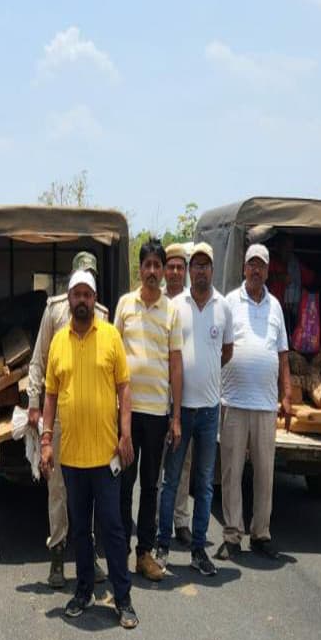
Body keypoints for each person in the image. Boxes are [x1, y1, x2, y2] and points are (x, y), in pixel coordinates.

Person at [40, 270, 137, 628]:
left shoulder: (111, 336)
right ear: (69, 299)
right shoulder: (58, 343)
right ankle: (82, 592)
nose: (81, 300)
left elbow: (124, 388)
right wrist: (47, 440)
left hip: (106, 456)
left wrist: (125, 435)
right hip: (73, 458)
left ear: (95, 299)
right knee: (80, 530)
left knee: (111, 528)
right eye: (76, 294)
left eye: (87, 294)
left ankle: (123, 599)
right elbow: (50, 394)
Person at [27, 251, 110, 589]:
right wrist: (34, 403)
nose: (83, 289)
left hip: (94, 420)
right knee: (59, 489)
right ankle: (58, 555)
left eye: (90, 277)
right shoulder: (55, 309)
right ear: (72, 279)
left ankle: (87, 557)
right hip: (60, 415)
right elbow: (38, 361)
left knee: (90, 489)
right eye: (80, 277)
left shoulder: (104, 315)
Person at [156, 242, 233, 576]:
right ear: (189, 270)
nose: (200, 270)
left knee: (203, 483)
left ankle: (199, 549)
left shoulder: (223, 307)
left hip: (209, 410)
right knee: (171, 479)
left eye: (206, 265)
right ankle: (161, 544)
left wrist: (207, 376)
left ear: (212, 269)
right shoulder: (177, 306)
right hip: (181, 410)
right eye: (195, 265)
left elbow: (226, 351)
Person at [113, 240, 182, 582]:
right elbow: (112, 358)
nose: (153, 272)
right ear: (139, 269)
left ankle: (144, 554)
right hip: (127, 412)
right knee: (124, 482)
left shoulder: (172, 311)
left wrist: (177, 416)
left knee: (150, 486)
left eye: (158, 265)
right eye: (148, 265)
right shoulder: (125, 305)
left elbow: (176, 366)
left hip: (157, 414)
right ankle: (121, 549)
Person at [218, 243, 292, 561]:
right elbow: (218, 347)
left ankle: (261, 533)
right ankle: (233, 535)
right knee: (231, 471)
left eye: (261, 265)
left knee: (265, 473)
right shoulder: (229, 302)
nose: (256, 270)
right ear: (243, 268)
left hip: (265, 403)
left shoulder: (275, 306)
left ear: (267, 269)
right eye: (251, 264)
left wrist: (287, 394)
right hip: (233, 400)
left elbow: (283, 354)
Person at [163, 241, 194, 546]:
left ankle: (181, 521)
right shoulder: (155, 301)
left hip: (184, 396)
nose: (174, 272)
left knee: (182, 461)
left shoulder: (190, 304)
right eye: (169, 266)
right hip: (157, 395)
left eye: (178, 267)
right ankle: (158, 520)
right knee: (156, 463)